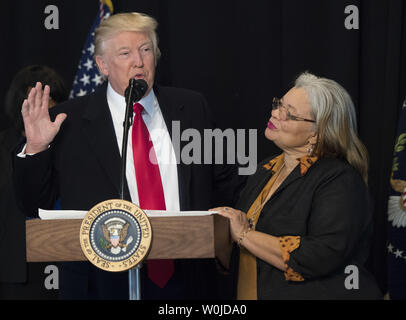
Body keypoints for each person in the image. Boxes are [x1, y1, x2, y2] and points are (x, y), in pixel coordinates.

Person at [13, 12, 244, 300]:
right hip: (100, 285)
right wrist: (36, 149)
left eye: (146, 50)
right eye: (125, 53)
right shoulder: (68, 120)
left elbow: (225, 185)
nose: (139, 61)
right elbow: (34, 204)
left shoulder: (191, 107)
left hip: (187, 279)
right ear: (102, 64)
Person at [213, 72, 382, 299]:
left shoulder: (340, 180)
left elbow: (320, 256)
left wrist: (244, 235)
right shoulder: (266, 169)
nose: (275, 113)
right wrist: (221, 234)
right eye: (279, 105)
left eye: (289, 114)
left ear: (317, 133)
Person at [0, 65, 68, 299]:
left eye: (47, 103)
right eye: (32, 103)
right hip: (15, 271)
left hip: (69, 264)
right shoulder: (3, 146)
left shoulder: (73, 146)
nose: (40, 112)